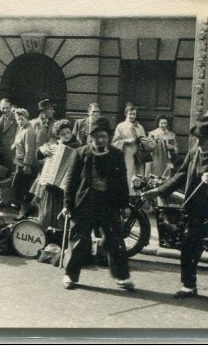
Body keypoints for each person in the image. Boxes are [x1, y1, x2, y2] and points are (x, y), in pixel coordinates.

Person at [145, 115, 208, 300]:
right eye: (197, 139)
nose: (198, 143)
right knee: (189, 247)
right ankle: (189, 286)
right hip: (197, 208)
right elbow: (180, 175)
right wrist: (159, 191)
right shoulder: (194, 152)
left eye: (202, 140)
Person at [61, 117, 135, 291]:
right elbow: (70, 181)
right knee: (80, 241)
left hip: (108, 204)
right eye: (96, 137)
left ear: (108, 137)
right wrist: (67, 204)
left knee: (115, 241)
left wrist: (124, 205)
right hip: (85, 203)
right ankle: (70, 275)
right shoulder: (79, 153)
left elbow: (122, 182)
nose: (100, 140)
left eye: (103, 136)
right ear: (90, 137)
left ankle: (122, 277)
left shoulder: (116, 155)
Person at [33, 119, 76, 234]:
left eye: (68, 132)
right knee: (47, 213)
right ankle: (46, 236)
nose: (67, 136)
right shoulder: (54, 146)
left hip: (66, 188)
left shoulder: (77, 146)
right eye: (63, 134)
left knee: (62, 217)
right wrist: (42, 150)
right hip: (51, 186)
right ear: (58, 136)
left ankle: (60, 239)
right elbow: (39, 156)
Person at [112, 103, 148, 189]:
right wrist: (126, 141)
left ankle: (137, 196)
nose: (132, 116)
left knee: (138, 175)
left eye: (134, 114)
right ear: (126, 114)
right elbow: (114, 142)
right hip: (126, 154)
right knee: (128, 173)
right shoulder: (120, 126)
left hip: (138, 155)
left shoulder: (139, 127)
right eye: (130, 114)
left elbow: (144, 140)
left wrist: (144, 141)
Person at [10, 108, 38, 210]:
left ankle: (24, 208)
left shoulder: (29, 131)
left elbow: (30, 149)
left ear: (27, 118)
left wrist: (27, 165)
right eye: (18, 119)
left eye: (22, 119)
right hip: (19, 162)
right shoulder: (21, 128)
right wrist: (14, 145)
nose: (20, 121)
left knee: (21, 187)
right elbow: (18, 140)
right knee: (18, 186)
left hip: (25, 165)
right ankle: (21, 207)